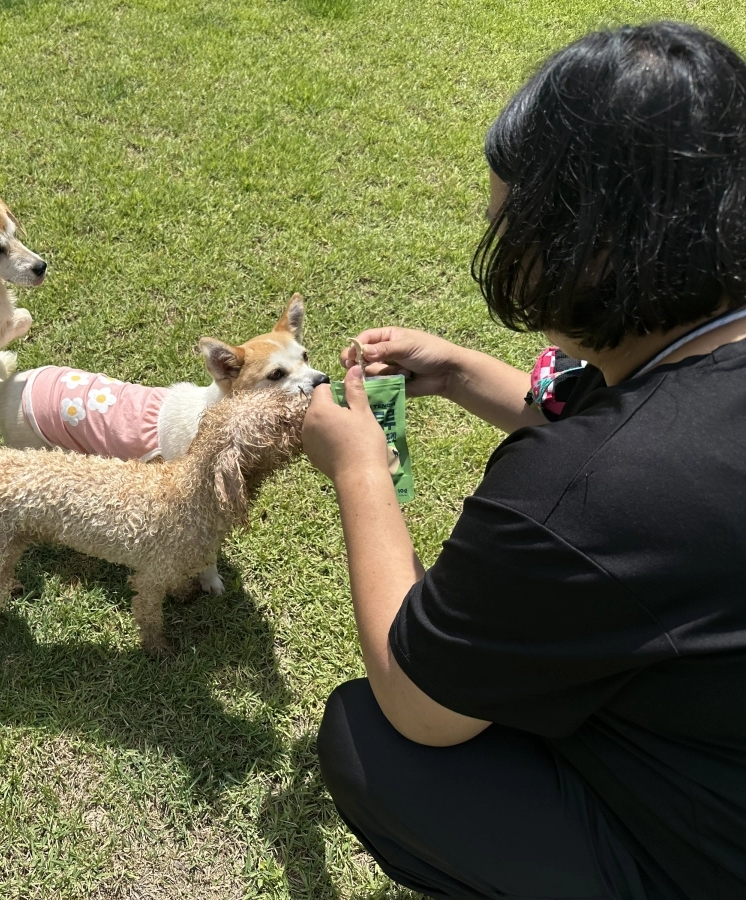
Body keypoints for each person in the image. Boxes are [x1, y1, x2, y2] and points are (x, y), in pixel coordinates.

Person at [303, 21, 746, 900]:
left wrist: (360, 467)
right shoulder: (707, 347)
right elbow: (625, 399)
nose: (493, 232)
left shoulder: (585, 495)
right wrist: (466, 373)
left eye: (512, 224)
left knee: (367, 742)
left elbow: (415, 700)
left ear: (597, 249)